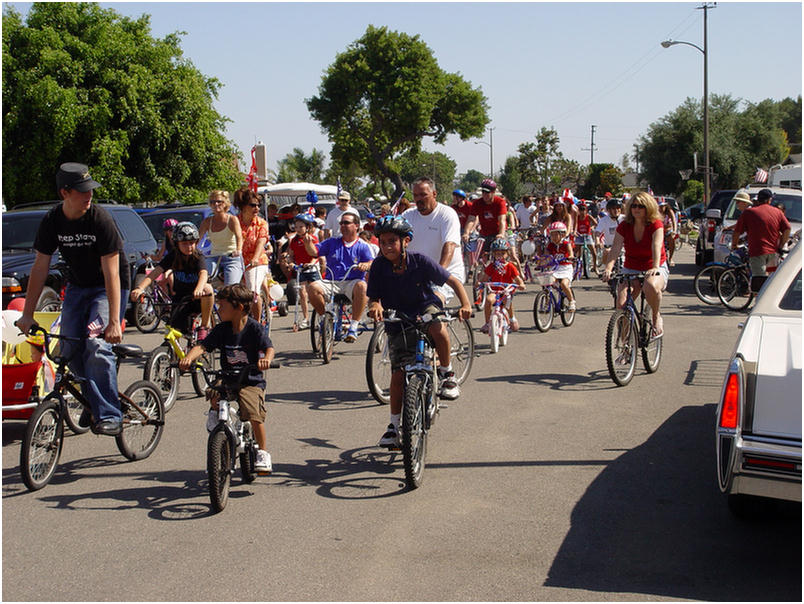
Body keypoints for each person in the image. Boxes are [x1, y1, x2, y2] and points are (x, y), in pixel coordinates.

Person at [15, 163, 126, 435]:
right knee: (68, 351)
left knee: (96, 346)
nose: (89, 196)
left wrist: (114, 321)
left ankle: (110, 413)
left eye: (91, 190)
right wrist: (27, 314)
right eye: (82, 191)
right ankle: (92, 402)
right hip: (77, 286)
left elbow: (112, 273)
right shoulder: (53, 220)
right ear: (65, 192)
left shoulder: (100, 219)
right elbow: (40, 266)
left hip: (107, 286)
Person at [366, 216, 472, 446]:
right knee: (398, 373)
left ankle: (447, 373)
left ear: (407, 241)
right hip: (398, 315)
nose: (387, 247)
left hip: (425, 305)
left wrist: (466, 304)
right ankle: (394, 426)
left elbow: (453, 281)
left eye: (392, 241)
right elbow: (373, 297)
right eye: (382, 242)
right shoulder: (378, 266)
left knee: (436, 325)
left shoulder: (420, 261)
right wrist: (374, 305)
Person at [180, 284, 275, 474]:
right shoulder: (222, 329)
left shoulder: (253, 328)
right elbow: (203, 346)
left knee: (253, 413)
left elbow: (269, 348)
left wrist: (266, 359)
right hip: (228, 377)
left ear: (239, 308)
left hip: (250, 379)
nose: (218, 309)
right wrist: (189, 357)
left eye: (222, 306)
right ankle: (218, 427)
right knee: (214, 392)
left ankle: (263, 453)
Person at [130, 222, 215, 340]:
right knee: (172, 333)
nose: (189, 247)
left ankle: (204, 327)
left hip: (198, 298)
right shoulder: (173, 256)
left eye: (192, 243)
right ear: (177, 244)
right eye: (184, 244)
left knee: (208, 288)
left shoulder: (198, 256)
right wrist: (140, 288)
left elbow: (203, 273)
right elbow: (155, 272)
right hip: (181, 299)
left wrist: (199, 288)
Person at [602, 191, 669, 338]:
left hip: (654, 265)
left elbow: (656, 246)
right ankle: (626, 343)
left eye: (641, 206)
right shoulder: (625, 225)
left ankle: (656, 316)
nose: (636, 209)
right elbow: (616, 248)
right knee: (621, 304)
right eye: (633, 206)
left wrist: (655, 267)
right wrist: (608, 268)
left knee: (650, 285)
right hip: (631, 266)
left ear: (648, 207)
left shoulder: (655, 224)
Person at [303, 208, 374, 342]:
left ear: (356, 226)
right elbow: (314, 252)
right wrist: (308, 244)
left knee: (362, 287)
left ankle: (353, 326)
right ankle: (325, 319)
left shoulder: (362, 246)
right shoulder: (332, 242)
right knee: (312, 287)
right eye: (341, 223)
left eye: (346, 223)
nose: (342, 226)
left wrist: (365, 265)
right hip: (332, 281)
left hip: (352, 282)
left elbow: (371, 262)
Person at [402, 177, 465, 306]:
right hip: (417, 276)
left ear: (434, 194)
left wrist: (437, 273)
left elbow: (450, 245)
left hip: (446, 274)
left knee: (431, 307)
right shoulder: (407, 216)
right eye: (415, 195)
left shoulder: (447, 214)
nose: (418, 199)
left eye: (423, 195)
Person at [731, 188, 791, 287]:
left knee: (759, 281)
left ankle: (759, 301)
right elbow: (787, 229)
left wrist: (734, 245)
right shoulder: (778, 212)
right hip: (773, 253)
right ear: (769, 200)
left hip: (757, 252)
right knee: (771, 280)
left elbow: (737, 232)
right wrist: (780, 245)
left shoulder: (749, 212)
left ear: (758, 199)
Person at [234, 187, 271, 321]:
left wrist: (255, 259)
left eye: (258, 205)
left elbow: (261, 243)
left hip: (257, 262)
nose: (257, 208)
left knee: (252, 292)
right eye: (253, 205)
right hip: (237, 262)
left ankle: (257, 323)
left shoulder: (262, 223)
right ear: (243, 206)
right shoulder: (234, 222)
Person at [477, 239, 525, 333]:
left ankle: (512, 319)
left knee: (508, 300)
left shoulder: (510, 266)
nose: (500, 256)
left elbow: (518, 279)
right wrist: (479, 282)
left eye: (502, 253)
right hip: (495, 291)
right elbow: (485, 278)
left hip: (506, 291)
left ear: (507, 254)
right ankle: (487, 323)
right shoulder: (492, 266)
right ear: (493, 254)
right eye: (497, 253)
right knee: (488, 300)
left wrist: (521, 285)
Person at [199, 190, 244, 286]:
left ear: (226, 203)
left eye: (219, 201)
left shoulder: (232, 219)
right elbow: (197, 239)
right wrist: (194, 250)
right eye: (212, 202)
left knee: (231, 287)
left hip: (231, 256)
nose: (216, 204)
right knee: (204, 282)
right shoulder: (207, 221)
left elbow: (239, 237)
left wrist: (238, 250)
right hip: (213, 257)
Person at [286, 213, 321, 329]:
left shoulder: (312, 238)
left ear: (307, 227)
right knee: (302, 294)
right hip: (301, 269)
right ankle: (306, 318)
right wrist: (291, 262)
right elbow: (291, 255)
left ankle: (320, 317)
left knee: (315, 294)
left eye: (301, 227)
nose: (298, 229)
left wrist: (311, 263)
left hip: (312, 270)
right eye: (296, 227)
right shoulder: (294, 241)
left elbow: (315, 254)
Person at [463, 178, 507, 258]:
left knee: (502, 256)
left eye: (487, 192)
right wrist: (466, 232)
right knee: (481, 257)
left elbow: (502, 220)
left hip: (498, 233)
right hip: (485, 234)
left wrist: (501, 234)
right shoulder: (477, 203)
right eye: (483, 192)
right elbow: (471, 219)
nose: (484, 195)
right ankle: (482, 269)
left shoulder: (500, 202)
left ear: (493, 192)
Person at [545, 221, 576, 311]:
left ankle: (571, 301)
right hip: (555, 268)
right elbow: (546, 255)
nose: (553, 237)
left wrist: (570, 257)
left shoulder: (566, 244)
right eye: (552, 235)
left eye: (556, 235)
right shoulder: (551, 245)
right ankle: (547, 302)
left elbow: (571, 254)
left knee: (564, 284)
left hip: (566, 268)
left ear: (562, 235)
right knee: (548, 283)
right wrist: (542, 260)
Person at [595, 198, 624, 267]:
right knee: (606, 252)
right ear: (608, 210)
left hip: (624, 246)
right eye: (613, 208)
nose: (616, 210)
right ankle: (606, 270)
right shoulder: (604, 220)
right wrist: (597, 241)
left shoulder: (625, 219)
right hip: (610, 246)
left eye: (618, 208)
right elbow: (598, 232)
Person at [573, 203, 599, 274]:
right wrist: (574, 232)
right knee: (574, 252)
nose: (582, 212)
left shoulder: (588, 217)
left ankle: (595, 267)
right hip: (579, 236)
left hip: (587, 235)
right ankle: (574, 267)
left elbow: (596, 223)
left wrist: (592, 227)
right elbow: (573, 225)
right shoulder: (577, 217)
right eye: (581, 210)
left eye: (584, 210)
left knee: (593, 252)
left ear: (586, 210)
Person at [658, 198, 678, 267]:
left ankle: (670, 258)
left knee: (672, 240)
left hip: (668, 231)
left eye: (662, 206)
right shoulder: (655, 213)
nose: (661, 208)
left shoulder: (669, 212)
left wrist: (674, 231)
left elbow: (674, 221)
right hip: (659, 231)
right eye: (659, 206)